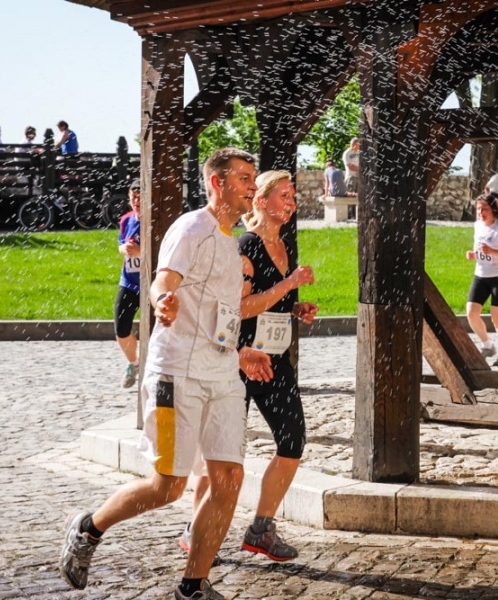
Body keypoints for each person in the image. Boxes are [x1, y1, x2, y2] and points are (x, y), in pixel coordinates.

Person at [59, 148, 273, 600]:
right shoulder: (191, 227)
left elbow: (220, 315)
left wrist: (240, 352)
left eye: (254, 178)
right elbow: (163, 279)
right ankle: (89, 527)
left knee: (229, 479)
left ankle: (192, 587)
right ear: (217, 183)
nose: (252, 186)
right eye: (244, 178)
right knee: (168, 487)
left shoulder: (232, 246)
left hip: (222, 377)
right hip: (176, 375)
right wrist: (161, 302)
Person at [181, 171, 317, 565]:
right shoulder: (247, 246)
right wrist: (288, 285)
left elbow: (268, 302)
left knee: (292, 441)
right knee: (222, 454)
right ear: (260, 200)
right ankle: (195, 530)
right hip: (238, 362)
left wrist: (295, 308)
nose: (290, 203)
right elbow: (238, 309)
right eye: (283, 195)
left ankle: (261, 529)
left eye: (293, 197)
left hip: (274, 361)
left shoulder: (283, 245)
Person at [465, 195, 498, 367]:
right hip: (481, 274)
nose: (481, 213)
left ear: (493, 209)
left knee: (497, 317)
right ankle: (488, 345)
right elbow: (481, 249)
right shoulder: (478, 225)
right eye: (478, 209)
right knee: (471, 313)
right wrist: (474, 254)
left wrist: (492, 251)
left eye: (484, 209)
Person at [114, 179, 142, 388]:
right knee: (121, 328)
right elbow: (120, 244)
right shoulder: (126, 220)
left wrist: (142, 251)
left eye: (140, 198)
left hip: (151, 283)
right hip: (129, 281)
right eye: (133, 198)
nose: (137, 202)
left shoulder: (156, 221)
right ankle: (135, 363)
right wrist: (123, 249)